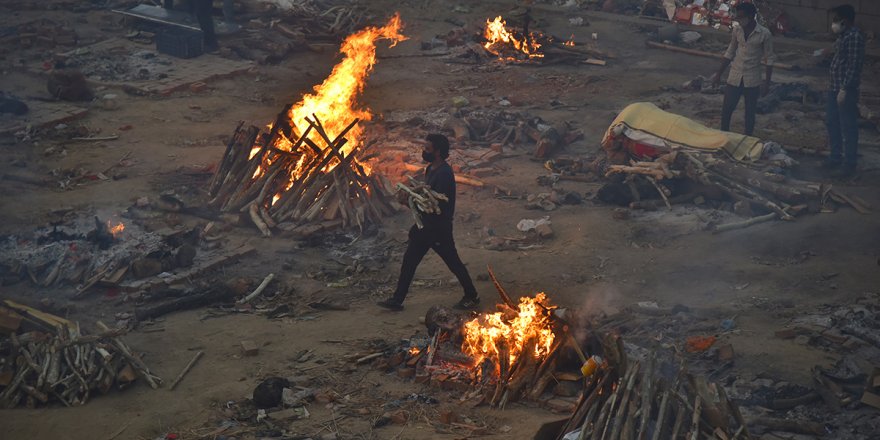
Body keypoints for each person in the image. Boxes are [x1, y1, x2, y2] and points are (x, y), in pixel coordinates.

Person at [377, 134, 480, 311]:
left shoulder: (445, 174)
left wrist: (413, 199)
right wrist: (409, 199)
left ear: (438, 152)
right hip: (425, 228)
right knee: (409, 261)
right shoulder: (430, 169)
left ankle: (471, 295)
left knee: (453, 262)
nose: (424, 151)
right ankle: (397, 299)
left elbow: (434, 203)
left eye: (427, 148)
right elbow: (426, 197)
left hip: (439, 228)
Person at [712, 2, 775, 136]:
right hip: (735, 75)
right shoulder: (737, 30)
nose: (739, 20)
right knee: (727, 109)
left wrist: (767, 83)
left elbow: (769, 59)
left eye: (742, 17)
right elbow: (730, 52)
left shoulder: (764, 34)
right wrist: (718, 74)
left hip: (752, 78)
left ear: (752, 16)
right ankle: (723, 136)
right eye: (738, 17)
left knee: (750, 113)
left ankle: (747, 139)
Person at [823, 4, 865, 177]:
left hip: (844, 89)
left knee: (848, 126)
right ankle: (835, 158)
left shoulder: (854, 37)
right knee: (832, 122)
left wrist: (845, 88)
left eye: (835, 20)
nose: (833, 23)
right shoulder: (843, 36)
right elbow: (841, 60)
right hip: (834, 88)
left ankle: (849, 164)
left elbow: (854, 66)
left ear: (845, 20)